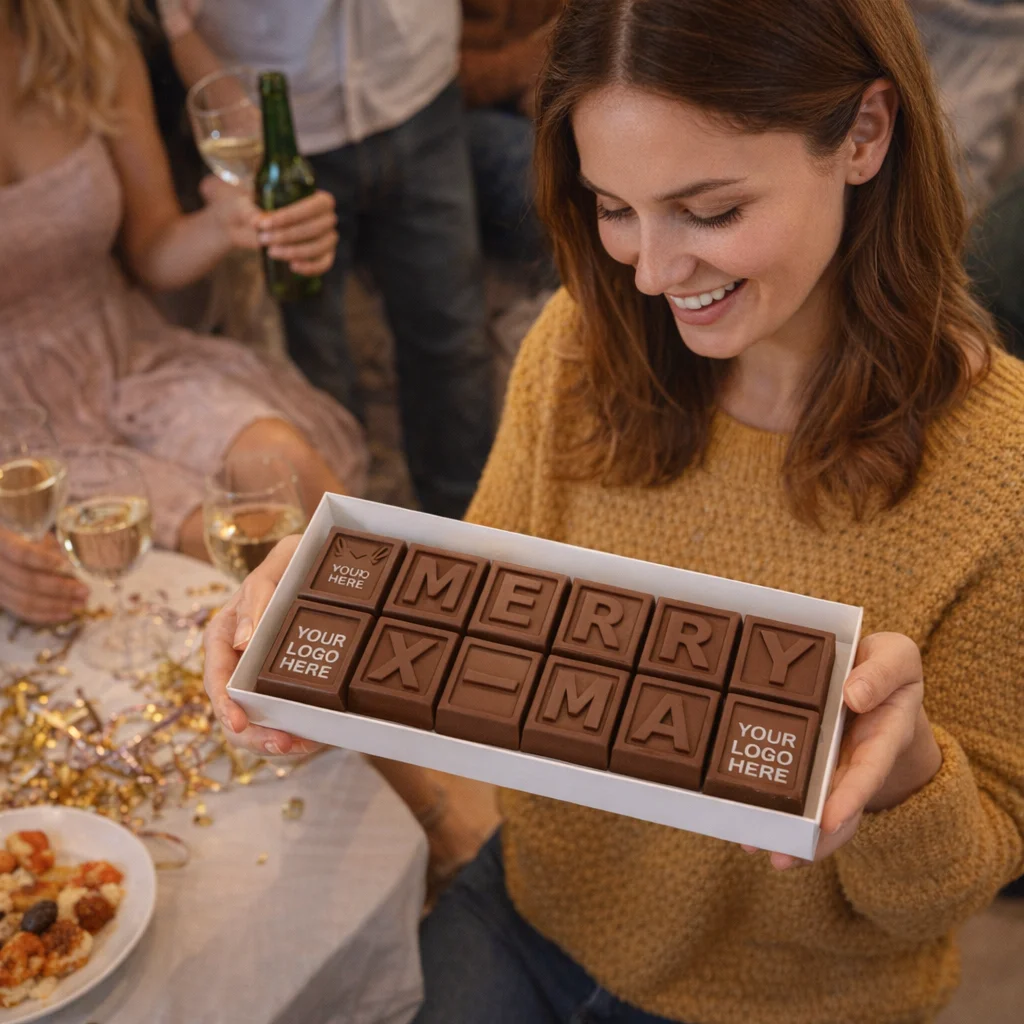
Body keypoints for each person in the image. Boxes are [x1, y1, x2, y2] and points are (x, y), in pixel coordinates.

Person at [204, 1, 1024, 1021]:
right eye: (612, 206)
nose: (650, 271)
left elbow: (936, 900)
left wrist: (906, 778)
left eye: (710, 211)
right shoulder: (580, 346)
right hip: (535, 909)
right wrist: (341, 640)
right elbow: (490, 646)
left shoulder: (999, 469)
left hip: (796, 998)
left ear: (863, 134)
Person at [0, 0, 367, 626]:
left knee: (292, 471)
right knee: (218, 536)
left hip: (123, 356)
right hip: (16, 430)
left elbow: (153, 249)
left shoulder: (84, 31)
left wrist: (229, 225)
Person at [158, 0, 496, 521]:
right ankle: (351, 551)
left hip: (417, 84)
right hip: (273, 111)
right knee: (317, 361)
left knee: (452, 337)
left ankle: (474, 531)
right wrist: (198, 60)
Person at [460, 0, 561, 280]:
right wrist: (528, 69)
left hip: (543, 73)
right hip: (454, 109)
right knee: (535, 164)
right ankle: (565, 294)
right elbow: (434, 76)